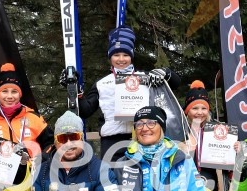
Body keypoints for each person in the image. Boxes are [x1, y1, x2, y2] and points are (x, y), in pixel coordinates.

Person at [75, 25, 182, 162]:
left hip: (143, 136)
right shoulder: (102, 83)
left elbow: (176, 83)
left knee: (142, 180)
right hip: (111, 142)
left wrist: (166, 73)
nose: (121, 59)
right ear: (110, 57)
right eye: (116, 55)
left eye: (125, 55)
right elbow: (85, 110)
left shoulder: (144, 77)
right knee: (113, 181)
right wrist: (76, 91)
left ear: (131, 56)